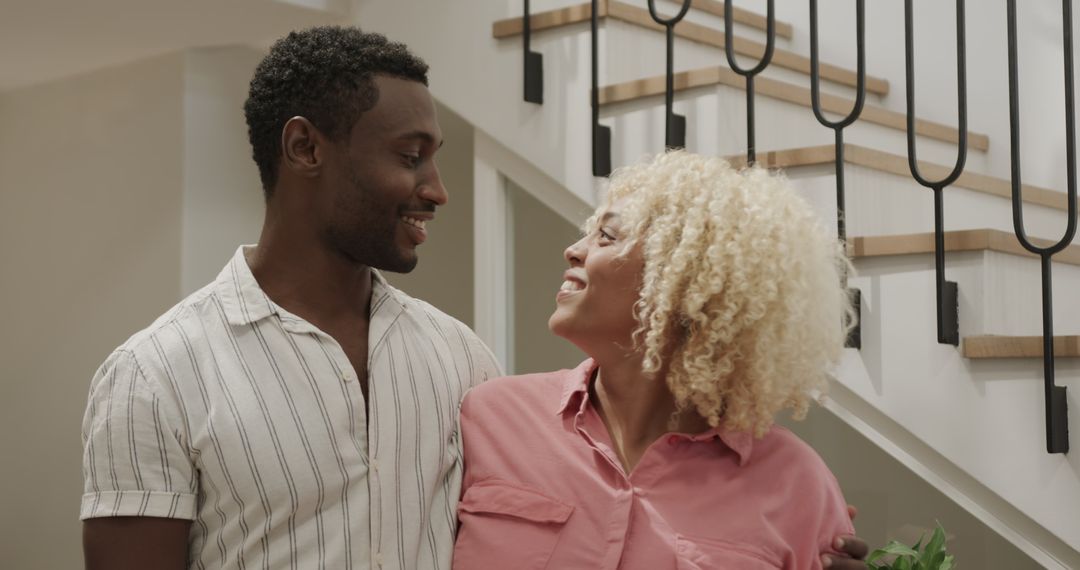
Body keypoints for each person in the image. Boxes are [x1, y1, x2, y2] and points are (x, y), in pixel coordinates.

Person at [81, 26, 869, 570]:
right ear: (304, 147)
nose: (437, 190)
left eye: (434, 157)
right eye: (411, 156)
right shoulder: (154, 374)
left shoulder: (464, 368)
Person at [454, 151, 861, 569]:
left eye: (606, 236)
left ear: (688, 281)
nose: (574, 250)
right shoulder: (489, 417)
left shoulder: (798, 485)